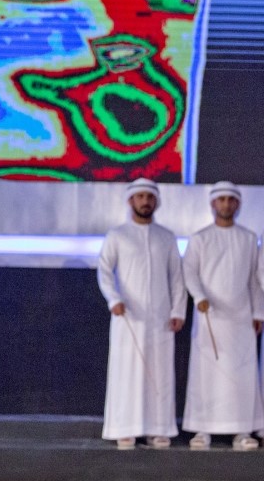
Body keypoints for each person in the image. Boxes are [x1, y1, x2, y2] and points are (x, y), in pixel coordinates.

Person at [97, 178, 186, 450]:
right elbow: (104, 271)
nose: (145, 201)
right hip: (128, 319)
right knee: (127, 373)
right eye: (140, 197)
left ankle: (158, 430)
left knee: (159, 374)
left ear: (156, 201)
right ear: (131, 201)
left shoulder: (166, 237)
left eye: (150, 197)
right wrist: (114, 299)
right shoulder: (117, 235)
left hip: (161, 319)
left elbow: (177, 278)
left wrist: (178, 310)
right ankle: (125, 429)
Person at [182, 181, 264, 451]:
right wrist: (200, 297)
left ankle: (242, 431)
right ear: (213, 204)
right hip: (210, 318)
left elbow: (254, 280)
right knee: (207, 374)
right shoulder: (200, 238)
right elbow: (189, 271)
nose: (226, 205)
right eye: (222, 200)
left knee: (241, 374)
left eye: (231, 200)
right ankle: (202, 430)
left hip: (241, 319)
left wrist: (258, 312)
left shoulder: (249, 238)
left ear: (238, 204)